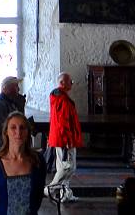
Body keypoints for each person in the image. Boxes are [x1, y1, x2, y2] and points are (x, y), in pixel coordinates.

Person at [0, 111, 47, 215]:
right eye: (13, 128)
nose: (18, 132)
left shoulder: (37, 161)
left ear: (28, 132)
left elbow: (38, 196)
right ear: (6, 131)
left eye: (22, 128)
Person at [44, 72, 82, 203]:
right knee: (68, 166)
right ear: (62, 82)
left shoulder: (59, 96)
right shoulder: (62, 99)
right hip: (64, 139)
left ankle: (65, 194)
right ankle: (49, 189)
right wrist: (67, 140)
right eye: (70, 81)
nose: (72, 83)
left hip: (61, 138)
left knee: (63, 167)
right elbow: (63, 122)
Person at [0, 76, 25, 153]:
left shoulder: (11, 103)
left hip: (9, 146)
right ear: (5, 88)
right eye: (16, 86)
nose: (18, 89)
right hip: (0, 148)